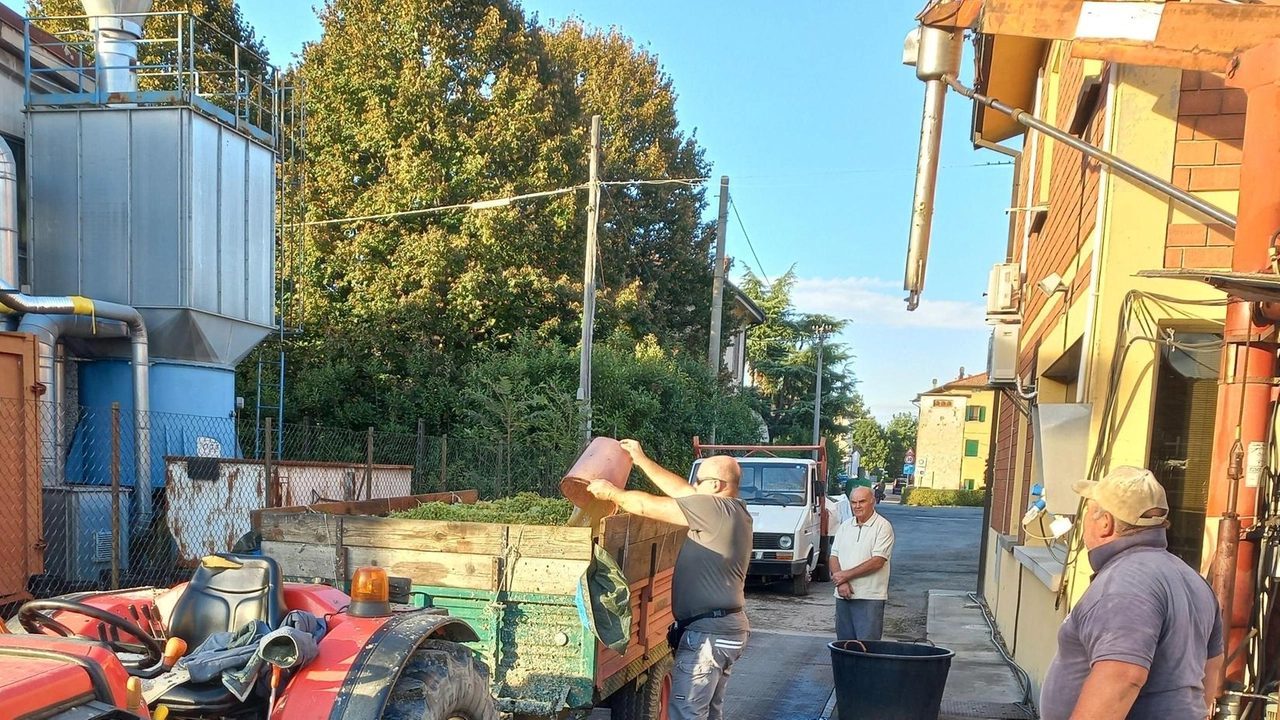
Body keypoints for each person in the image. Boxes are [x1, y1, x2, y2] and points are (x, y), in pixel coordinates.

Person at [583, 439, 751, 720]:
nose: (694, 486)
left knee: (686, 713)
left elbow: (647, 507)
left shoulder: (714, 511)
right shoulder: (730, 512)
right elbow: (682, 492)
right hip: (722, 629)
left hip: (709, 635)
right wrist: (641, 459)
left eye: (700, 481)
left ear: (717, 485)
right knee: (708, 713)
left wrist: (611, 492)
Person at [1039, 466, 1224, 720]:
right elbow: (1210, 670)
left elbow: (1123, 677)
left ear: (1105, 523)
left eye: (1089, 513)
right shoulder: (1191, 579)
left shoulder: (1124, 583)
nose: (1084, 523)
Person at [829, 485, 895, 641]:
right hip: (843, 595)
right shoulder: (845, 526)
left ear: (872, 501)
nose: (857, 506)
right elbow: (833, 556)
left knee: (867, 647)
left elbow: (877, 561)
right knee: (844, 645)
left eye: (862, 501)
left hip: (869, 597)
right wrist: (841, 583)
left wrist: (844, 576)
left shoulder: (883, 527)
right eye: (853, 502)